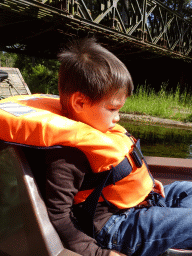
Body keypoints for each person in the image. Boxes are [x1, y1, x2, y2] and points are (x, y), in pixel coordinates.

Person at [0, 38, 192, 256]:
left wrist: (144, 186)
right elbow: (59, 216)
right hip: (115, 226)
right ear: (80, 103)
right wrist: (98, 253)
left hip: (139, 202)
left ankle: (172, 232)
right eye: (112, 108)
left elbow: (115, 175)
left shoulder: (94, 129)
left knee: (187, 190)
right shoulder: (67, 156)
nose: (118, 117)